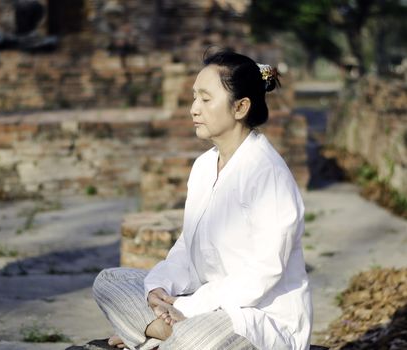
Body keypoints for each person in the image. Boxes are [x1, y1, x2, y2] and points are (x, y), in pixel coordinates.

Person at [92, 49, 313, 350]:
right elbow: (187, 245)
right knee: (109, 282)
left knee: (196, 338)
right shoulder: (203, 166)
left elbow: (264, 272)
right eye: (195, 98)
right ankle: (162, 333)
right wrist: (159, 288)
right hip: (201, 306)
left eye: (206, 99)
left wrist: (188, 308)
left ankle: (152, 334)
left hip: (255, 318)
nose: (194, 109)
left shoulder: (268, 174)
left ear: (240, 107)